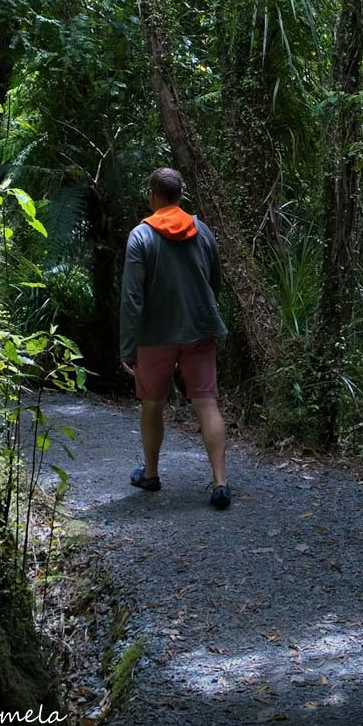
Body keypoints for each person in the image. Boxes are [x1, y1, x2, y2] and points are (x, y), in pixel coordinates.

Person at [119, 167, 231, 509]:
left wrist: (127, 346)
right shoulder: (202, 231)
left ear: (153, 195)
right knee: (206, 402)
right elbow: (215, 280)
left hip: (155, 336)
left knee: (153, 403)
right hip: (199, 329)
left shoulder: (141, 236)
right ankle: (220, 482)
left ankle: (151, 474)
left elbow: (132, 297)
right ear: (180, 195)